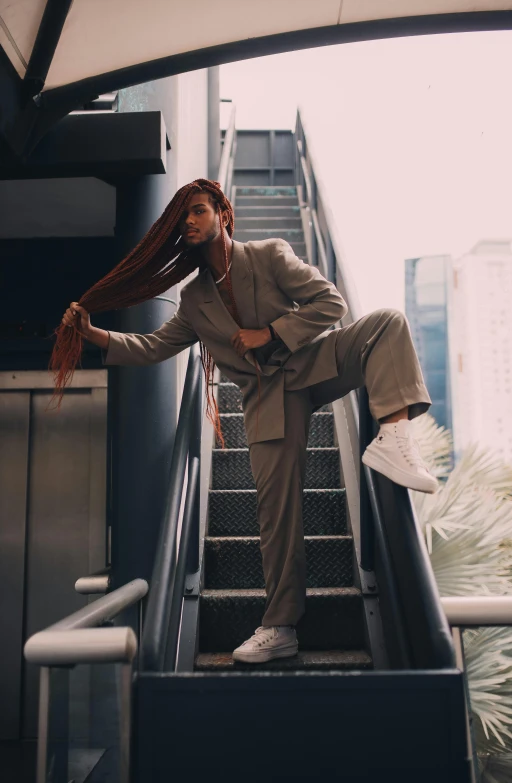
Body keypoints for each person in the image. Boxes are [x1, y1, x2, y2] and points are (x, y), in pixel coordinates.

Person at [61, 179, 436, 665]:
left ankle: (394, 435)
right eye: (182, 219)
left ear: (221, 211)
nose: (190, 223)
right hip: (267, 401)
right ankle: (280, 626)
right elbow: (153, 347)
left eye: (197, 211)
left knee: (386, 322)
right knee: (277, 517)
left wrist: (271, 332)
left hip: (313, 362)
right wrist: (96, 335)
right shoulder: (194, 299)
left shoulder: (270, 254)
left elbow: (332, 304)